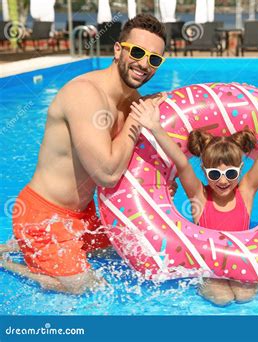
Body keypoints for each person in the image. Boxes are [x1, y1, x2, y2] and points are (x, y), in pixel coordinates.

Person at [0, 14, 175, 294]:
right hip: (44, 215)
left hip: (86, 216)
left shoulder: (131, 100)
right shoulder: (85, 95)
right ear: (118, 50)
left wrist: (163, 183)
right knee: (84, 287)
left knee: (129, 256)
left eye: (154, 59)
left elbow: (131, 164)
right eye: (138, 52)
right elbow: (106, 173)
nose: (144, 64)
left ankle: (18, 245)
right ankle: (6, 260)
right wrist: (134, 119)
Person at [129, 88, 258, 306]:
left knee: (245, 297)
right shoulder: (199, 196)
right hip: (210, 269)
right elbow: (181, 163)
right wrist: (155, 127)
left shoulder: (246, 192)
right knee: (222, 299)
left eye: (230, 173)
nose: (223, 181)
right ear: (203, 171)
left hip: (244, 263)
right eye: (214, 174)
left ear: (240, 169)